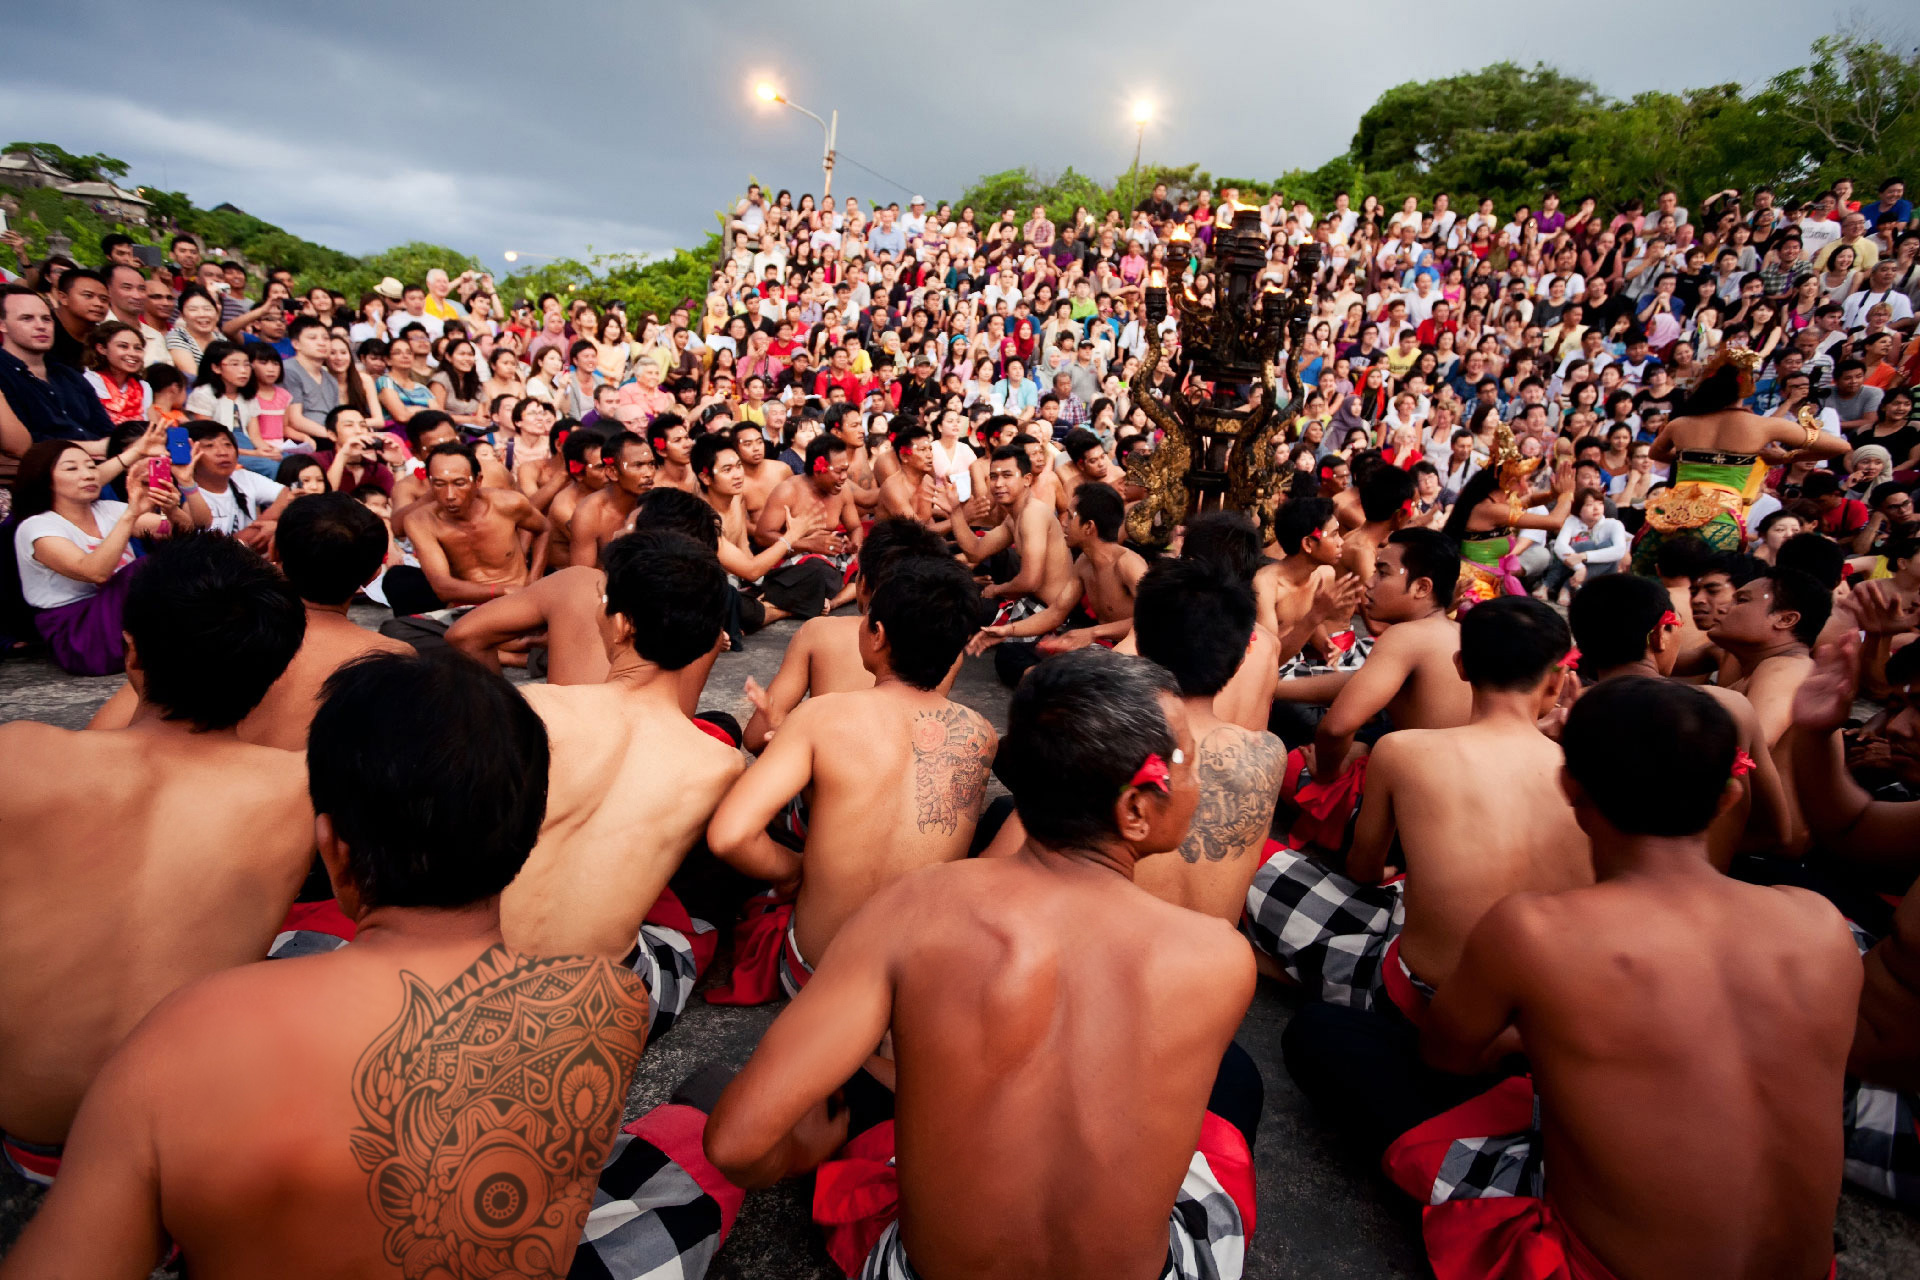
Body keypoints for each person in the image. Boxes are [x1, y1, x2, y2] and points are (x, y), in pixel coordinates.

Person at [0, 652, 693, 1279]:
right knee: (684, 1160)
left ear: (331, 851)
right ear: (526, 833)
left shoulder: (186, 1033)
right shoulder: (614, 1004)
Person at [704, 649, 1261, 1280]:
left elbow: (735, 1143)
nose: (1199, 781)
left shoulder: (915, 910)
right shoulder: (1219, 957)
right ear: (1133, 809)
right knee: (1233, 1094)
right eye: (1187, 762)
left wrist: (809, 1146)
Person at [1386, 678, 1856, 1280]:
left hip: (1601, 1267)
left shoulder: (1534, 930)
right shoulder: (1820, 923)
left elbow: (1447, 1057)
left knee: (1331, 1040)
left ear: (1568, 785)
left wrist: (1539, 1038)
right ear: (1729, 796)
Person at [0, 535, 311, 1182]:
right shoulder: (300, 791)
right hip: (182, 1137)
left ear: (131, 650)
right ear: (275, 667)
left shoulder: (20, 756)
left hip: (34, 1136)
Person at [1255, 597, 1589, 1016]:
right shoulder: (1587, 776)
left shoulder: (1403, 750)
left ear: (1461, 665)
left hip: (1412, 995)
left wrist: (1392, 875)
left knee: (1258, 858)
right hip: (1523, 1012)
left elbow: (1361, 871)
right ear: (1557, 682)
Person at [705, 557, 994, 1004]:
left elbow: (729, 836)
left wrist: (795, 870)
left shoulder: (823, 715)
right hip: (917, 983)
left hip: (815, 975)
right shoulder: (979, 734)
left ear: (877, 635)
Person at [501, 533, 743, 1037]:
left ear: (623, 624)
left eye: (604, 599)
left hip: (481, 981)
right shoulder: (720, 763)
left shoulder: (534, 709)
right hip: (600, 1013)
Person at [86, 493, 412, 753]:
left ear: (274, 551)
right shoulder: (393, 658)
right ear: (371, 576)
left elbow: (100, 739)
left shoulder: (217, 635)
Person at [1271, 529, 1473, 857]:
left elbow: (1335, 728)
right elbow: (1358, 682)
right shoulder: (1459, 632)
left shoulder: (1406, 637)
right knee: (1361, 742)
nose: (1369, 583)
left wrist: (1325, 771)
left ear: (1422, 587)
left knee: (1288, 762)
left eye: (1383, 573)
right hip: (1455, 805)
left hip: (1409, 825)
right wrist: (1275, 688)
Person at [1569, 572, 1791, 863]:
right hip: (1709, 884)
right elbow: (1777, 833)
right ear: (1660, 634)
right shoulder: (1731, 706)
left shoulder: (1568, 715)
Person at [1124, 557, 1287, 921]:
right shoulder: (1268, 753)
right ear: (1244, 653)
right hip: (1210, 961)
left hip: (1112, 953)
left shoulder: (1105, 736)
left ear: (1139, 642)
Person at [738, 516, 956, 755]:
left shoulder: (820, 632)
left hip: (831, 779)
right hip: (905, 778)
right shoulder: (949, 646)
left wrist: (794, 736)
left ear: (862, 584)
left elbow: (757, 738)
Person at [1636, 346, 1849, 571]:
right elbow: (1840, 446)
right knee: (1713, 583)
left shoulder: (1680, 424)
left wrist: (1692, 457)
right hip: (1720, 518)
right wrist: (1787, 457)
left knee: (1655, 577)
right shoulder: (1761, 425)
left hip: (1670, 514)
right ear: (1747, 388)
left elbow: (1655, 453)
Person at [10, 439, 198, 674]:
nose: (88, 474)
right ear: (44, 479)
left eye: (90, 466)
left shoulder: (109, 509)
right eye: (72, 468)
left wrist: (171, 510)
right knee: (148, 567)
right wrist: (130, 514)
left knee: (190, 555)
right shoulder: (37, 526)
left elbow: (185, 534)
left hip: (122, 614)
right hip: (79, 634)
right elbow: (95, 572)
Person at [950, 444, 1076, 685]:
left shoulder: (1033, 514)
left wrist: (997, 589)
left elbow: (1031, 579)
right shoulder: (1014, 517)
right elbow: (976, 552)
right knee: (959, 601)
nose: (998, 484)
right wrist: (956, 512)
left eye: (1007, 476)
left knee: (1010, 659)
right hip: (1028, 602)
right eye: (994, 476)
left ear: (1027, 479)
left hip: (1051, 613)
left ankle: (1063, 688)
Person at [390, 441, 549, 614]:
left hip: (519, 601)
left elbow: (544, 529)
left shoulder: (508, 503)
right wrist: (502, 590)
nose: (450, 495)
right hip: (466, 608)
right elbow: (442, 587)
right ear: (429, 483)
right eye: (440, 484)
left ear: (478, 481)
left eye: (459, 483)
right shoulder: (420, 521)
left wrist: (534, 578)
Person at [751, 433, 864, 619]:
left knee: (873, 567)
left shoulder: (842, 491)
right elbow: (762, 537)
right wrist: (807, 544)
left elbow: (855, 528)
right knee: (816, 570)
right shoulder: (788, 490)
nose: (844, 477)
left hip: (834, 561)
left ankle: (832, 603)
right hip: (795, 561)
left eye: (846, 470)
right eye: (839, 471)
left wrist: (855, 547)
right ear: (819, 468)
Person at [0, 284, 114, 457]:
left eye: (46, 319)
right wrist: (93, 448)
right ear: (2, 325)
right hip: (38, 474)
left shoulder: (69, 375)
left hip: (101, 466)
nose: (40, 326)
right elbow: (23, 444)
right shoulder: (3, 373)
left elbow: (106, 430)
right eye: (27, 318)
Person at [566, 431, 656, 567]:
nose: (649, 473)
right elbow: (582, 574)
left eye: (651, 464)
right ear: (612, 472)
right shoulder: (589, 514)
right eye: (638, 465)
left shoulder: (658, 502)